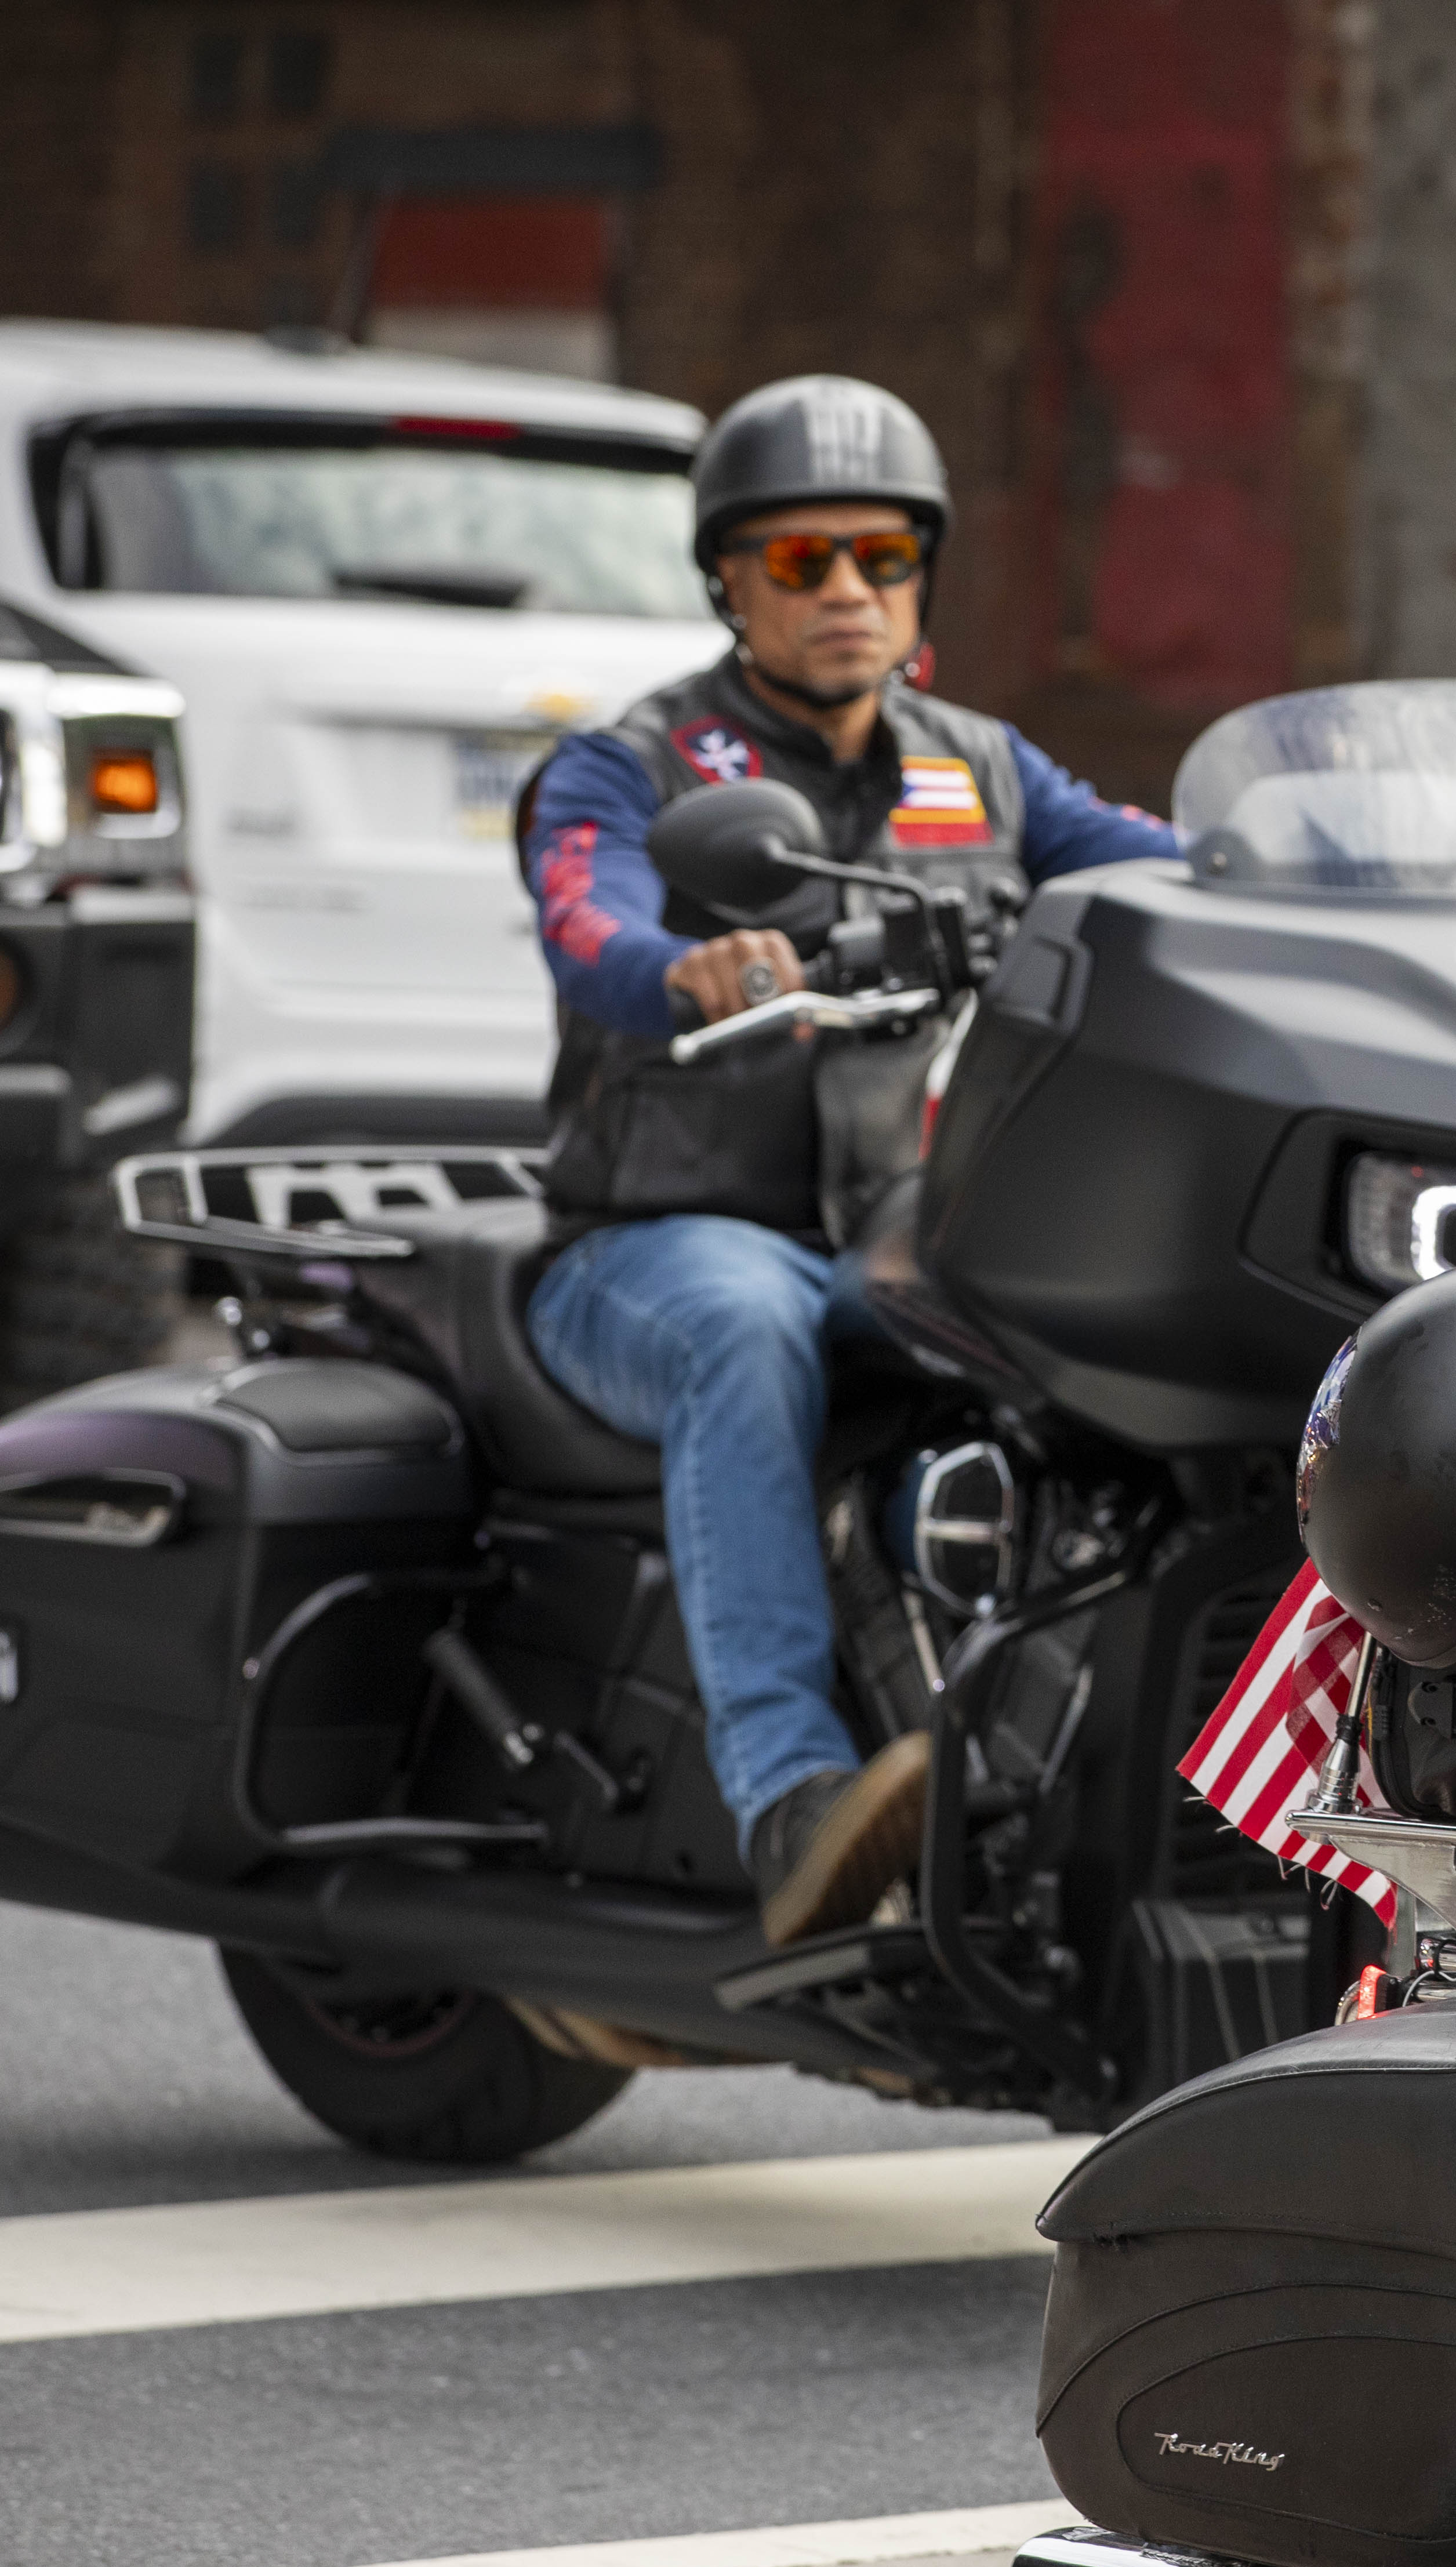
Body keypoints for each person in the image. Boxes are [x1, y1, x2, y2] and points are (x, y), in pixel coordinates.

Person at [515, 375, 1178, 1946]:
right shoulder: (633, 764)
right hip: (659, 1243)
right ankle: (791, 1796)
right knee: (745, 1331)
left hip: (900, 1229)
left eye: (879, 557)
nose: (846, 594)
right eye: (800, 561)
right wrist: (682, 970)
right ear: (727, 579)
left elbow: (1177, 869)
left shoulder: (990, 771)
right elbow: (583, 915)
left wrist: (1357, 876)